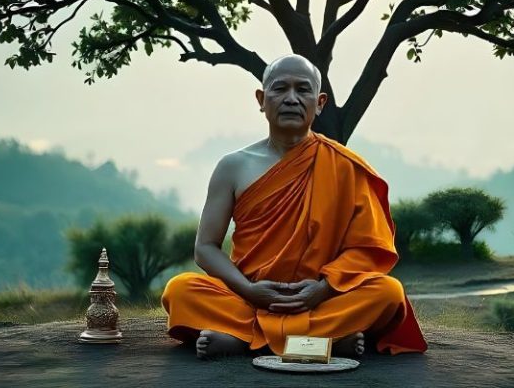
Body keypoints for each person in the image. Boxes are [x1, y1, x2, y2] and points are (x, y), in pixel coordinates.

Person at [161, 54, 427, 359]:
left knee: (387, 293)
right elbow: (205, 248)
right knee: (180, 290)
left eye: (303, 90)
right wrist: (249, 291)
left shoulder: (344, 167)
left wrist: (322, 289)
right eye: (279, 89)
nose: (291, 99)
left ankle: (244, 339)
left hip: (319, 298)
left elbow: (367, 249)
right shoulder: (233, 166)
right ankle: (322, 343)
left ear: (320, 102)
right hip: (249, 296)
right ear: (262, 99)